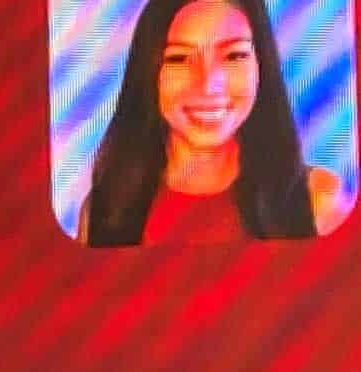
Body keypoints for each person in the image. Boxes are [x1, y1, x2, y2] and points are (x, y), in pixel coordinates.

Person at [79, 0, 349, 244]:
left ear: (261, 67)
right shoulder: (105, 212)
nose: (208, 85)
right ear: (147, 73)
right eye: (178, 58)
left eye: (234, 55)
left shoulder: (318, 201)